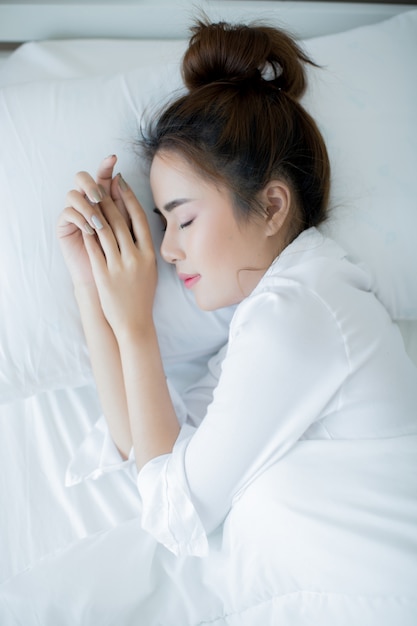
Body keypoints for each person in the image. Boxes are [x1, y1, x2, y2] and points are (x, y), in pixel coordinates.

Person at [57, 17, 417, 568]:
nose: (168, 251)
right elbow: (147, 447)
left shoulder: (297, 315)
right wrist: (91, 281)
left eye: (183, 220)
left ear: (272, 206)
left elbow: (170, 512)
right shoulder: (278, 314)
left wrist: (135, 325)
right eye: (162, 223)